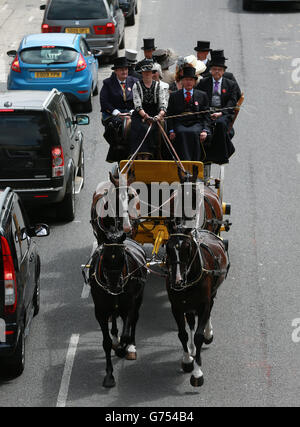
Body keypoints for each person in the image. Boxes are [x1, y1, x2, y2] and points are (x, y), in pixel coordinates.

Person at [196, 53, 239, 164]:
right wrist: (206, 111)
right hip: (207, 112)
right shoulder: (203, 83)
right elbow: (199, 98)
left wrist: (221, 113)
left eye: (219, 70)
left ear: (223, 72)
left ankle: (220, 155)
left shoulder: (230, 84)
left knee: (220, 124)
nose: (217, 72)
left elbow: (232, 102)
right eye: (214, 69)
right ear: (210, 70)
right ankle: (200, 155)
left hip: (223, 113)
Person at [167, 66, 210, 161]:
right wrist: (171, 130)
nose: (188, 82)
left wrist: (205, 130)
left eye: (191, 80)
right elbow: (169, 114)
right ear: (182, 81)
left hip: (196, 123)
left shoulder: (202, 95)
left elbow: (206, 115)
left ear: (194, 82)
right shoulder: (174, 95)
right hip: (180, 123)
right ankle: (183, 163)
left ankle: (195, 162)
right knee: (182, 133)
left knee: (194, 133)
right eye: (186, 80)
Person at [100, 57, 139, 162]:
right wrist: (116, 113)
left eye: (126, 69)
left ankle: (135, 155)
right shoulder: (108, 83)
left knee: (138, 127)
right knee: (117, 128)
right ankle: (118, 156)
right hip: (114, 114)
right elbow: (104, 102)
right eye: (121, 69)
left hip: (131, 113)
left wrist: (132, 112)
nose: (124, 71)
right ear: (116, 71)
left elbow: (139, 99)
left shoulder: (134, 82)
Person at [130, 59, 168, 159]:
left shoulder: (158, 86)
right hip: (140, 114)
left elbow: (163, 104)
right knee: (140, 128)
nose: (147, 74)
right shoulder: (136, 86)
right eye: (145, 72)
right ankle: (138, 155)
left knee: (159, 129)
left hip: (156, 113)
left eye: (149, 72)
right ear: (141, 73)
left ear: (152, 73)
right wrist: (146, 117)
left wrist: (159, 115)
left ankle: (156, 154)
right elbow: (137, 105)